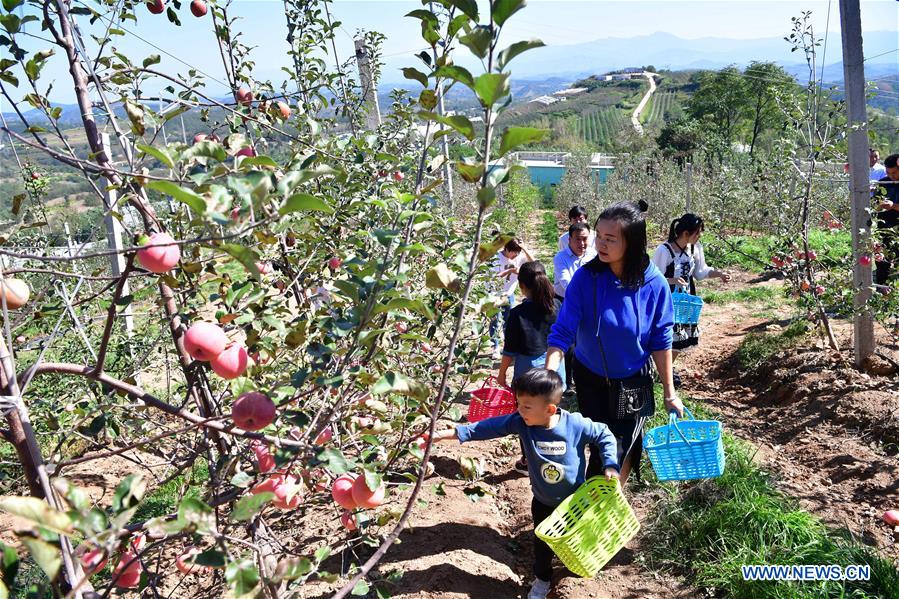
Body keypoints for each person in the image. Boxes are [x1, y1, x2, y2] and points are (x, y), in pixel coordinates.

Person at [432, 369, 619, 599]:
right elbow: (487, 428)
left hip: (575, 503)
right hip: (543, 502)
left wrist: (610, 464)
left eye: (526, 406)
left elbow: (605, 434)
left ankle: (573, 575)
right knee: (542, 547)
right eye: (518, 404)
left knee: (577, 540)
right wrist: (450, 433)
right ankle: (542, 580)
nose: (520, 410)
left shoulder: (575, 425)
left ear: (549, 409)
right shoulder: (522, 423)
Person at [545, 201, 684, 484]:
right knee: (599, 447)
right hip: (590, 378)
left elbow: (661, 337)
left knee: (626, 445)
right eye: (599, 236)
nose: (601, 244)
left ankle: (613, 499)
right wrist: (549, 375)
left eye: (611, 239)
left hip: (633, 380)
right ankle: (597, 505)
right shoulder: (586, 278)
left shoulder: (653, 283)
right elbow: (562, 331)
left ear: (632, 242)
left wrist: (669, 391)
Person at [497, 261, 565, 474]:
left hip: (528, 371)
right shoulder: (559, 306)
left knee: (527, 417)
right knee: (551, 413)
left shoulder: (518, 314)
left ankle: (528, 461)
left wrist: (501, 375)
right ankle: (556, 454)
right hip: (555, 367)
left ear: (522, 286)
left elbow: (509, 350)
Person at [650, 214, 730, 387]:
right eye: (697, 233)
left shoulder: (694, 249)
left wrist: (719, 274)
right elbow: (653, 277)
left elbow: (700, 272)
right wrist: (671, 280)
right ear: (686, 233)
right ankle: (661, 371)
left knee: (681, 336)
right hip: (666, 300)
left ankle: (665, 370)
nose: (699, 237)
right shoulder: (664, 251)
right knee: (666, 335)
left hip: (685, 300)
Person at [552, 222, 596, 392]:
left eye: (585, 239)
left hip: (589, 303)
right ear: (569, 239)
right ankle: (568, 381)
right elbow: (566, 283)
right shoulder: (561, 257)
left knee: (585, 341)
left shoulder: (593, 256)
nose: (582, 244)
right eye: (578, 240)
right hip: (565, 303)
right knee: (568, 343)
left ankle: (584, 380)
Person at [490, 239, 534, 355]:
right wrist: (511, 270)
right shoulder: (496, 257)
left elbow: (534, 263)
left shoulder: (518, 257)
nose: (516, 255)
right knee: (495, 321)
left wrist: (524, 248)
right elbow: (493, 277)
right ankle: (495, 347)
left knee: (509, 321)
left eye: (518, 252)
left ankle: (508, 346)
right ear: (507, 249)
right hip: (494, 294)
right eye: (514, 252)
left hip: (509, 294)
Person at [873, 153, 899, 288]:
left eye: (894, 173)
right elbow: (874, 203)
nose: (891, 176)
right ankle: (881, 288)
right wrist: (877, 205)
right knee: (882, 260)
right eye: (889, 172)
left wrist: (893, 206)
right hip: (884, 227)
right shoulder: (884, 182)